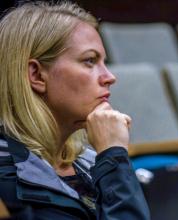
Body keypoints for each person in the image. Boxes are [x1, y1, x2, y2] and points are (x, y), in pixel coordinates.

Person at [0, 1, 150, 219]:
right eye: (89, 61)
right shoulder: (7, 179)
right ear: (37, 75)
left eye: (103, 62)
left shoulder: (89, 162)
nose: (109, 77)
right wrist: (114, 158)